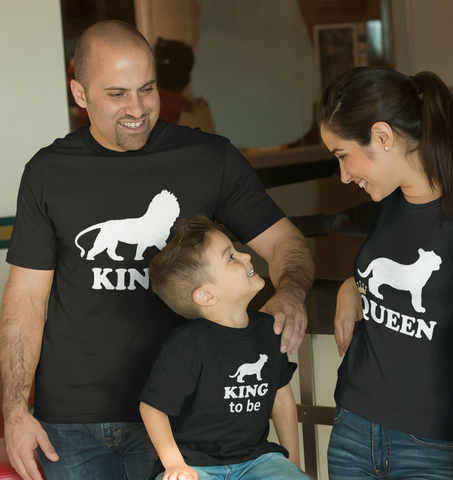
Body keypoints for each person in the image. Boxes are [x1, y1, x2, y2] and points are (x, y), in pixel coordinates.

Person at [0, 20, 314, 480]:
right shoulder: (48, 173)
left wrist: (290, 292)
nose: (137, 108)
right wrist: (13, 409)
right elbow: (25, 298)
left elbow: (286, 242)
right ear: (80, 94)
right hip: (69, 423)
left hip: (182, 418)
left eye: (146, 89)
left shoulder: (210, 159)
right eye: (116, 93)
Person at [317, 66, 453, 479]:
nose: (343, 176)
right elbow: (381, 276)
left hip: (431, 444)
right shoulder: (389, 202)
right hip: (353, 429)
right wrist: (350, 285)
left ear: (382, 136)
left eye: (343, 155)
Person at [140, 215, 310, 480]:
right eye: (231, 257)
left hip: (257, 460)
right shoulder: (187, 345)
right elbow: (152, 407)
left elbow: (282, 399)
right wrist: (174, 465)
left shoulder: (269, 330)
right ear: (206, 295)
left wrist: (293, 463)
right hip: (196, 464)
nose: (245, 256)